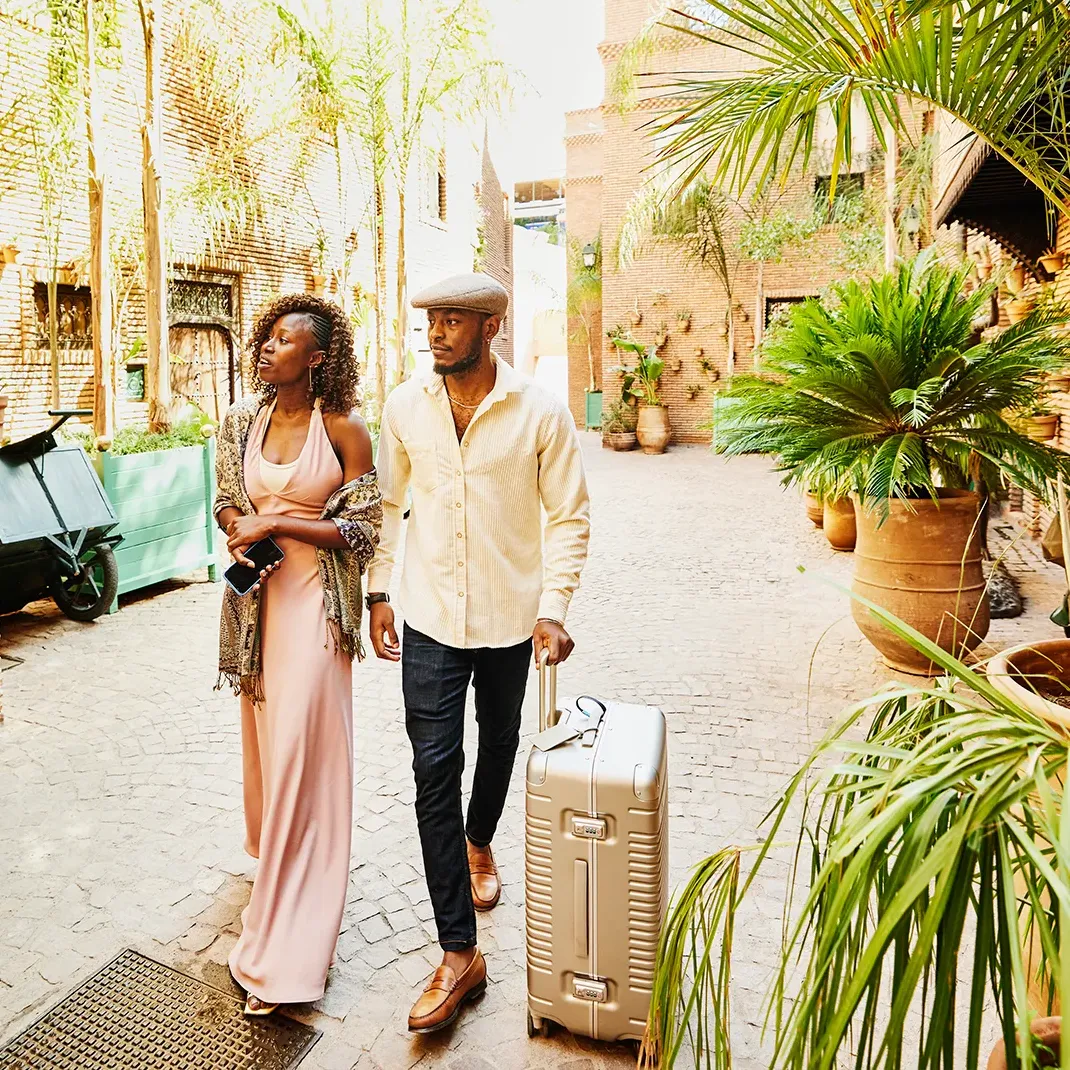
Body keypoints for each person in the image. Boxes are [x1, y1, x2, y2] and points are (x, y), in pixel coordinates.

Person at [367, 271, 591, 1033]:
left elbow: (568, 516)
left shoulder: (540, 411)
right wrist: (379, 592)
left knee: (498, 743)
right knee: (433, 769)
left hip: (508, 618)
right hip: (428, 614)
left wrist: (554, 609)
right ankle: (459, 954)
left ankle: (480, 838)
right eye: (431, 319)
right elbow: (388, 506)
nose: (436, 332)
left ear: (491, 326)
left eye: (453, 320)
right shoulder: (405, 406)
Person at [213, 294, 382, 1016]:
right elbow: (225, 499)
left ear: (316, 358)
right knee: (270, 762)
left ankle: (289, 953)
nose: (266, 347)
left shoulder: (343, 428)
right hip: (257, 612)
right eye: (266, 337)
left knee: (301, 763)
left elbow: (364, 528)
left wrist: (283, 520)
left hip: (318, 615)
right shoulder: (238, 421)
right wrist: (240, 530)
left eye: (284, 340)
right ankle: (278, 883)